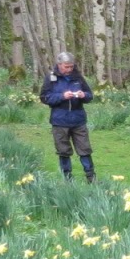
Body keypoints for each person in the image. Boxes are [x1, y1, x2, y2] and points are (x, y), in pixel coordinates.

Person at [39, 52, 96, 182]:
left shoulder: (78, 78)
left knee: (85, 149)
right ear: (59, 65)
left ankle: (91, 177)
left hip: (78, 120)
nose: (69, 69)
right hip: (60, 120)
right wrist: (62, 96)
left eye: (71, 66)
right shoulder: (51, 78)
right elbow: (44, 98)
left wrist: (83, 95)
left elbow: (89, 96)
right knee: (63, 151)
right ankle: (67, 179)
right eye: (66, 67)